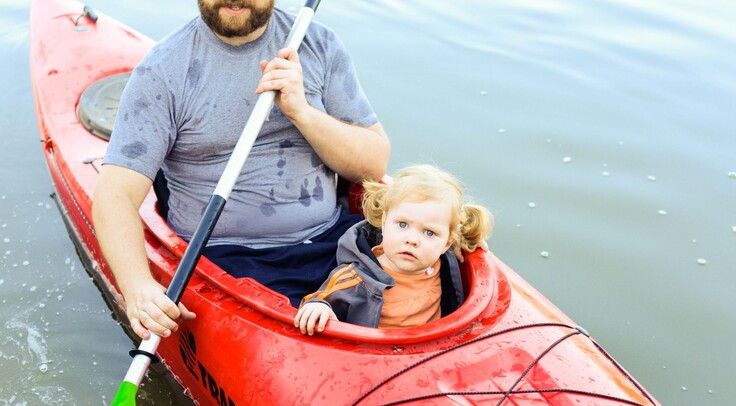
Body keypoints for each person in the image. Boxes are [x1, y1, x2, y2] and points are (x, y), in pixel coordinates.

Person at [92, 0, 390, 341]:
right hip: (227, 260)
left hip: (333, 241)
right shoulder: (161, 72)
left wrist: (302, 111)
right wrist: (139, 288)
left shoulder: (318, 44)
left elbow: (374, 163)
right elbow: (115, 195)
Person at [294, 164, 493, 335]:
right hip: (379, 358)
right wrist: (319, 306)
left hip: (429, 351)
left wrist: (469, 242)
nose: (412, 240)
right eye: (403, 224)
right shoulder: (356, 278)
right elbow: (317, 300)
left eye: (429, 233)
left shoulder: (442, 258)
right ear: (384, 221)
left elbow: (456, 236)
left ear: (447, 243)